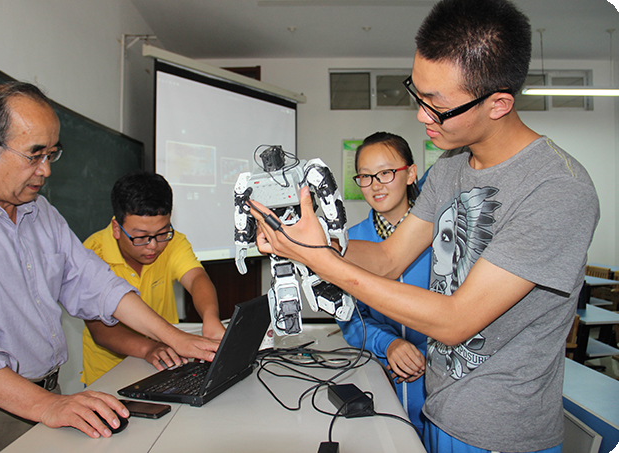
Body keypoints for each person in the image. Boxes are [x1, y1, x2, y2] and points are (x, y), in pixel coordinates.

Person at [250, 0, 600, 452]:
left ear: (498, 104)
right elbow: (388, 258)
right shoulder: (451, 168)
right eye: (418, 95)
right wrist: (317, 240)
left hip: (501, 433)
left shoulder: (556, 190)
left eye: (437, 105)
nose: (421, 115)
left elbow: (455, 321)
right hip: (439, 408)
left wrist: (320, 261)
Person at [0, 81, 218, 452]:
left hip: (50, 394)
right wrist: (49, 405)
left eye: (51, 155)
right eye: (34, 155)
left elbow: (99, 286)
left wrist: (175, 337)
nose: (45, 171)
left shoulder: (41, 213)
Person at [81, 170, 226, 385]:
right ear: (116, 229)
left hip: (166, 367)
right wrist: (149, 348)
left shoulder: (173, 243)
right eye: (141, 237)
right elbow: (100, 330)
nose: (153, 246)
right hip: (107, 376)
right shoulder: (92, 254)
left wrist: (210, 317)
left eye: (161, 233)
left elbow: (197, 278)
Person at [337, 132, 431, 436]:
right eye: (365, 176)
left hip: (441, 383)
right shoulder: (350, 243)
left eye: (386, 173)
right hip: (383, 379)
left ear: (410, 173)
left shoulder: (442, 236)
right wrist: (389, 343)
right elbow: (351, 318)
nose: (375, 185)